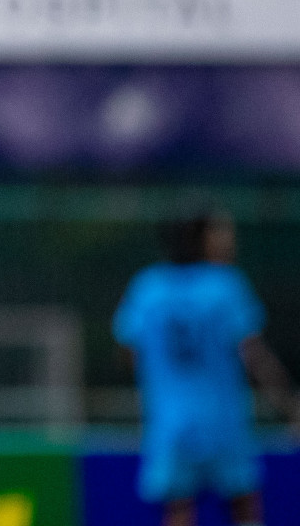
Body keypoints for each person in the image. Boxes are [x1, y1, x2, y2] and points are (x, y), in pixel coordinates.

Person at [114, 212, 299, 526]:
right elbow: (253, 355)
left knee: (179, 510)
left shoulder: (147, 287)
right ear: (202, 239)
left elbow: (130, 353)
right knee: (243, 505)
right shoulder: (225, 286)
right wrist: (288, 404)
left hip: (170, 423)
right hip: (223, 421)